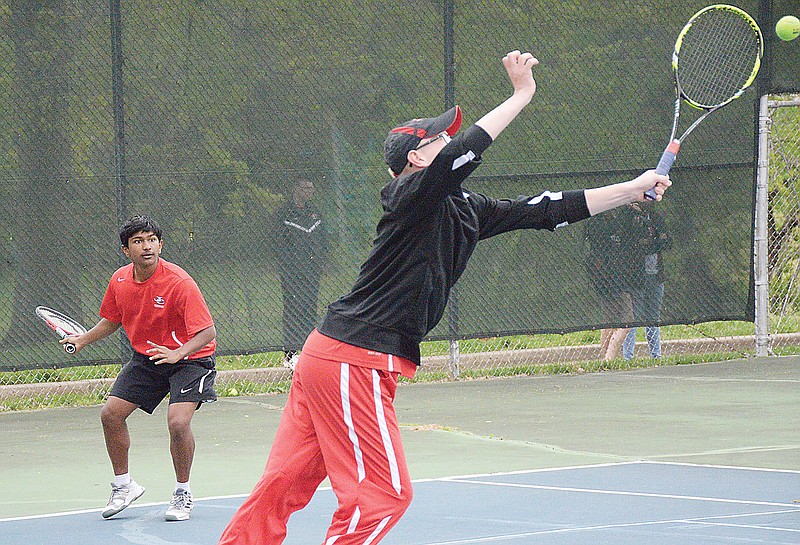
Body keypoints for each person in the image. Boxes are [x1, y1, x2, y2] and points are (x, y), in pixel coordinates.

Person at [217, 50, 670, 545]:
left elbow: (543, 210)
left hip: (335, 357)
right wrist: (521, 95)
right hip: (353, 359)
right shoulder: (408, 196)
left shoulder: (464, 209)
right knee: (383, 497)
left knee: (284, 484)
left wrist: (631, 190)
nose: (451, 141)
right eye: (441, 138)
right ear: (415, 159)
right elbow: (461, 158)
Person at [62, 215, 217, 522]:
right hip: (148, 359)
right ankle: (124, 486)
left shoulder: (179, 282)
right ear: (126, 250)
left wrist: (178, 353)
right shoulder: (120, 280)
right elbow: (112, 319)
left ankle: (182, 492)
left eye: (151, 240)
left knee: (177, 423)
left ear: (160, 245)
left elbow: (207, 332)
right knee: (111, 415)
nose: (146, 247)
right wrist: (83, 340)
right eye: (138, 242)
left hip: (190, 359)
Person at [276, 176, 327, 368]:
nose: (309, 191)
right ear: (295, 189)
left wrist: (320, 261)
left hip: (312, 271)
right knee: (292, 308)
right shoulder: (283, 213)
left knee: (309, 308)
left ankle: (308, 351)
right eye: (305, 187)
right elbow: (277, 242)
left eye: (311, 188)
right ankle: (290, 355)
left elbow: (323, 240)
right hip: (291, 271)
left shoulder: (315, 213)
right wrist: (287, 264)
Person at [622, 201, 671, 359]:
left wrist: (652, 242)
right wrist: (655, 241)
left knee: (653, 317)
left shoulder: (655, 218)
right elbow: (633, 244)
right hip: (636, 277)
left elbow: (667, 242)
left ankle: (656, 355)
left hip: (656, 276)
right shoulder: (628, 219)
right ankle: (628, 357)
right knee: (633, 317)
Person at [586, 207, 634, 360]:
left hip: (618, 277)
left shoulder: (613, 221)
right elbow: (604, 239)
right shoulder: (597, 222)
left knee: (612, 320)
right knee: (627, 320)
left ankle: (607, 359)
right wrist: (627, 212)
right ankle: (609, 356)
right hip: (607, 278)